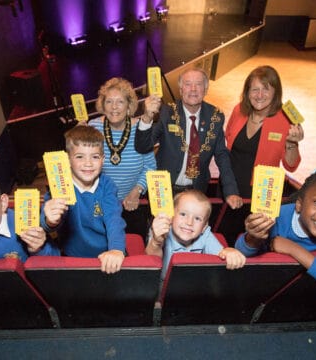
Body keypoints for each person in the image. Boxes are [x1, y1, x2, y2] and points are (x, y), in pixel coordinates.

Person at [235, 171, 316, 300]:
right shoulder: (276, 217)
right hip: (261, 290)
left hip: (305, 299)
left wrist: (294, 249)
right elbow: (240, 254)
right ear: (299, 205)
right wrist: (254, 238)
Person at [135, 67, 243, 210]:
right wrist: (147, 116)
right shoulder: (166, 113)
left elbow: (222, 155)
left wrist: (231, 191)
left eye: (198, 84)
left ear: (205, 89)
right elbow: (143, 147)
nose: (193, 89)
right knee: (159, 230)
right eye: (187, 84)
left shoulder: (215, 117)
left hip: (196, 190)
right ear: (180, 90)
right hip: (162, 187)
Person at [221, 65, 304, 243]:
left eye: (266, 90)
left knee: (253, 242)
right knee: (225, 236)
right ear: (247, 92)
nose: (259, 95)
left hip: (262, 193)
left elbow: (291, 165)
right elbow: (228, 143)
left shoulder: (286, 119)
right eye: (255, 89)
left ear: (276, 92)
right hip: (231, 187)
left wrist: (291, 142)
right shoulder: (239, 110)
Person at [41, 125, 127, 274]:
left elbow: (114, 218)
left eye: (95, 156)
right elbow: (48, 223)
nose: (88, 163)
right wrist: (50, 220)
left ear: (103, 159)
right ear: (68, 160)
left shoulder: (107, 185)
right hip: (73, 257)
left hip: (107, 253)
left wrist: (116, 249)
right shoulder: (59, 187)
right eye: (80, 156)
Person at [88, 77, 156, 236]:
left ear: (129, 105)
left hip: (132, 203)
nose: (114, 107)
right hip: (101, 202)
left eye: (120, 102)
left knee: (132, 249)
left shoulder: (142, 128)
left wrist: (137, 190)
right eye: (109, 101)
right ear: (102, 105)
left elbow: (150, 167)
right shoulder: (93, 126)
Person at [145, 189, 246, 278]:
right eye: (183, 214)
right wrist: (156, 242)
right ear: (171, 216)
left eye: (197, 218)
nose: (189, 222)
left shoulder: (205, 235)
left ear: (204, 227)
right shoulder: (162, 231)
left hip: (194, 287)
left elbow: (221, 253)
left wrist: (229, 251)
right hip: (163, 289)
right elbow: (151, 261)